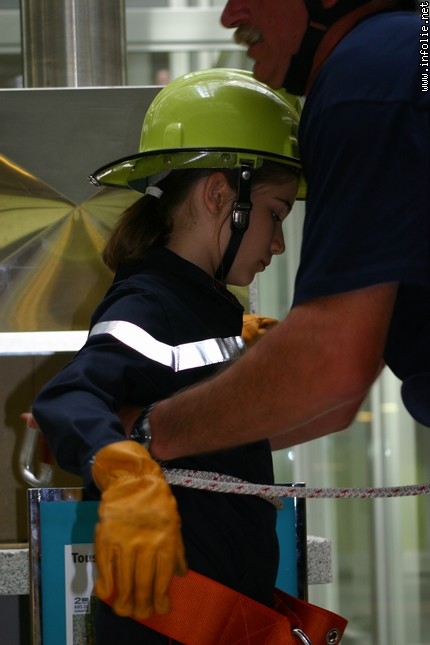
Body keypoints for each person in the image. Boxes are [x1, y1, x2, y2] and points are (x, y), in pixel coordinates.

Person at [32, 68, 305, 644]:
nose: (279, 243)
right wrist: (127, 477)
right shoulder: (150, 303)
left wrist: (241, 357)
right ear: (219, 195)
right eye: (276, 214)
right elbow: (69, 397)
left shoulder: (201, 311)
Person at [135, 1, 430, 460]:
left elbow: (330, 365)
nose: (231, 16)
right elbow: (333, 399)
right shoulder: (401, 57)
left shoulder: (366, 78)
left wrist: (136, 435)